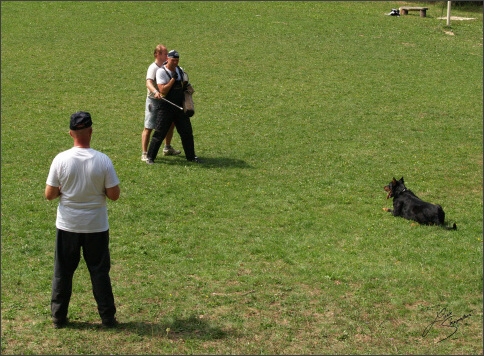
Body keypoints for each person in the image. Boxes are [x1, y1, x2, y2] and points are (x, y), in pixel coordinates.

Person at [45, 111, 120, 329]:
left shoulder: (61, 159)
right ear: (91, 132)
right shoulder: (103, 160)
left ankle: (58, 317)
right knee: (99, 272)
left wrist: (62, 190)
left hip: (68, 225)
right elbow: (114, 195)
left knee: (63, 271)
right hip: (96, 225)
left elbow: (49, 195)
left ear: (71, 134)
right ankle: (107, 318)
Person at [146, 50, 200, 164]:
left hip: (179, 107)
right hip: (166, 107)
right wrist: (173, 79)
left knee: (187, 132)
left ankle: (191, 156)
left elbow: (184, 85)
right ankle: (150, 157)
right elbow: (163, 90)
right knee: (159, 133)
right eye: (173, 60)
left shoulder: (180, 70)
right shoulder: (161, 72)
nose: (175, 63)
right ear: (167, 60)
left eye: (177, 60)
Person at [141, 44, 181, 161]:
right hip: (154, 101)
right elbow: (148, 83)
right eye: (164, 53)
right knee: (149, 126)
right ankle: (144, 153)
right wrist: (155, 92)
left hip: (165, 100)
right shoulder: (153, 68)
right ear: (157, 54)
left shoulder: (165, 66)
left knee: (170, 124)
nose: (167, 55)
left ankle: (167, 148)